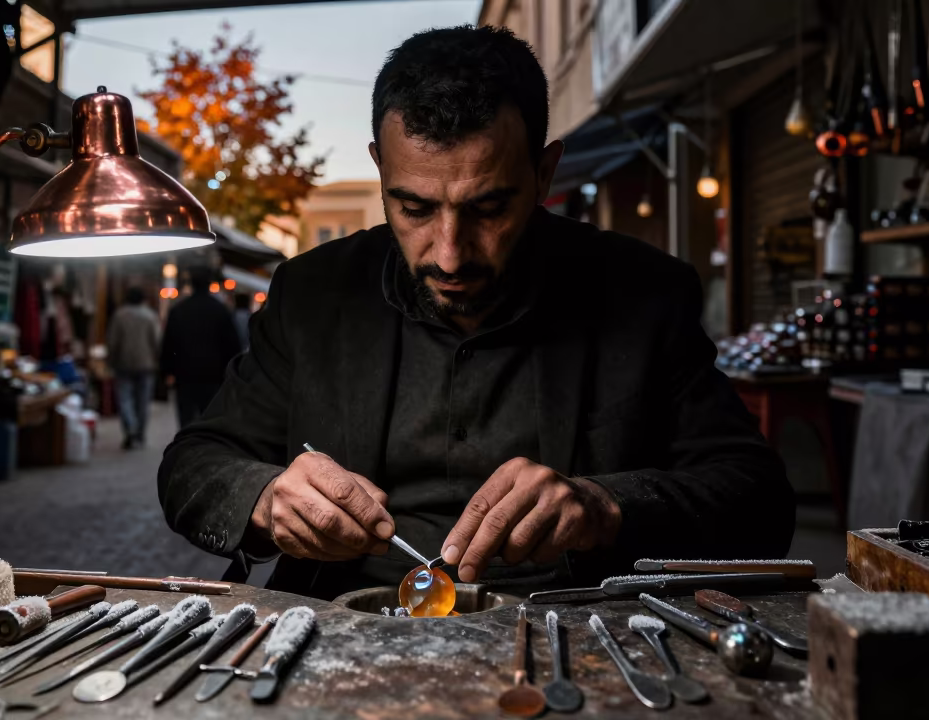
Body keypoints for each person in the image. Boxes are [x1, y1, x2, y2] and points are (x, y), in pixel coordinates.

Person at [159, 26, 793, 599]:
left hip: (571, 628)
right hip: (346, 621)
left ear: (545, 174)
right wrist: (267, 499)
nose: (450, 255)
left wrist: (604, 507)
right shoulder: (312, 293)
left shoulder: (643, 292)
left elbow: (760, 503)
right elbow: (195, 463)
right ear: (380, 170)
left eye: (488, 209)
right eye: (413, 208)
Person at [160, 267, 243, 430]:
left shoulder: (179, 310)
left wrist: (166, 371)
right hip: (213, 374)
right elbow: (232, 345)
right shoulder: (220, 310)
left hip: (184, 374)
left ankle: (186, 450)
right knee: (210, 420)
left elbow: (168, 342)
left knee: (186, 421)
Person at [106, 286, 160, 449]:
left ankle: (130, 428)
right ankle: (140, 433)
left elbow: (113, 341)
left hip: (123, 363)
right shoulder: (150, 316)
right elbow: (157, 341)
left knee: (125, 398)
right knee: (143, 401)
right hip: (146, 364)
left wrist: (111, 360)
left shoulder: (119, 315)